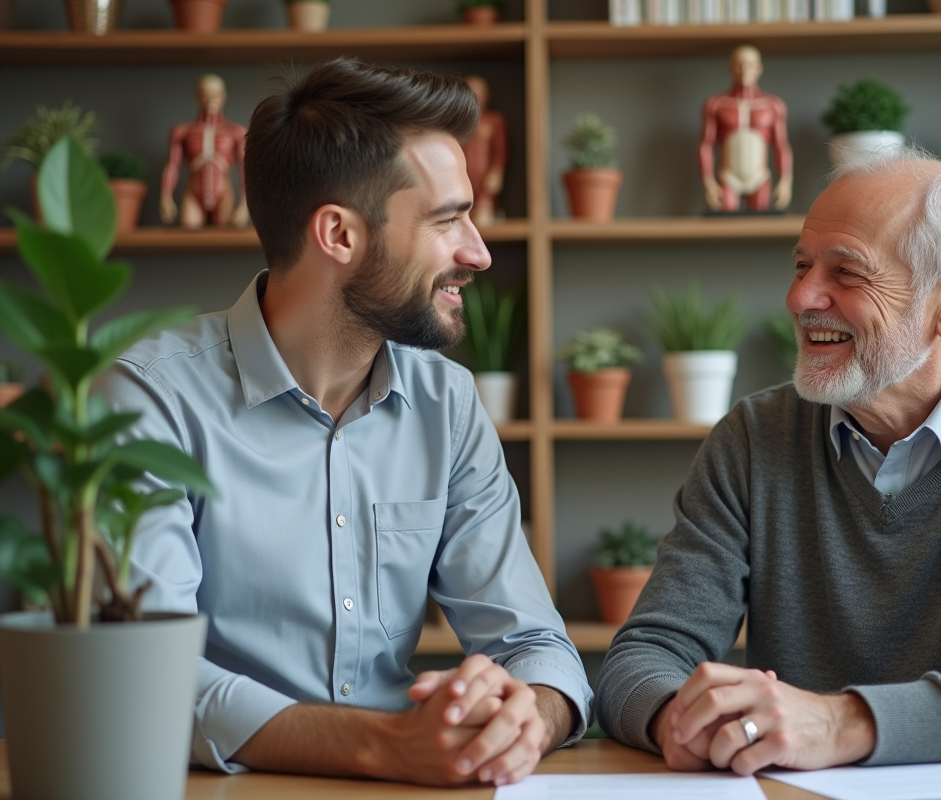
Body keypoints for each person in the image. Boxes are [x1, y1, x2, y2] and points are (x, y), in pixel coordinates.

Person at [98, 57, 591, 787]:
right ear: (338, 234)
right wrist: (384, 746)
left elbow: (537, 644)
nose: (478, 252)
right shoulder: (149, 399)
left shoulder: (447, 405)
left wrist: (531, 713)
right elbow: (147, 678)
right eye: (449, 219)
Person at [596, 147, 941, 773]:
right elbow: (643, 656)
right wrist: (679, 717)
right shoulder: (752, 437)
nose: (800, 297)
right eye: (802, 266)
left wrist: (843, 722)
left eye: (847, 273)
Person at [698, 45, 793, 214]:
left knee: (760, 229)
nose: (744, 70)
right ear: (730, 68)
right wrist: (708, 182)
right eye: (739, 65)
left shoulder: (773, 105)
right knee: (725, 227)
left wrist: (786, 181)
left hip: (759, 177)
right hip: (728, 176)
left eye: (750, 65)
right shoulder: (716, 104)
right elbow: (706, 145)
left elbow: (781, 146)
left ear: (759, 68)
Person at [160, 73, 251, 229]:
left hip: (223, 195)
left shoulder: (236, 132)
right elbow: (172, 166)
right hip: (194, 194)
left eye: (215, 96)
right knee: (189, 235)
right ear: (198, 96)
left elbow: (245, 169)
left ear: (223, 97)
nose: (210, 100)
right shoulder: (182, 131)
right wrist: (165, 197)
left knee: (224, 237)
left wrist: (245, 205)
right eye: (206, 95)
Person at [462, 75, 507, 226]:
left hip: (484, 174)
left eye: (479, 91)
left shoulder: (494, 120)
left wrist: (497, 170)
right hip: (465, 172)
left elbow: (500, 149)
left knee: (483, 216)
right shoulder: (461, 122)